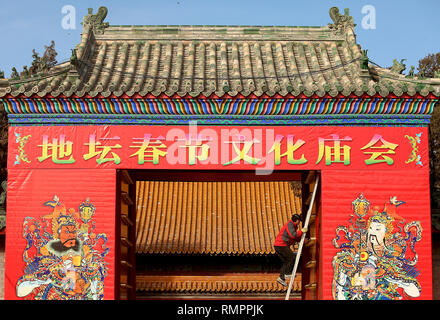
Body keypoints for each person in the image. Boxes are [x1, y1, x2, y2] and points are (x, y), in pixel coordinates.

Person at [274, 214, 307, 287]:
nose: (299, 222)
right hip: (281, 245)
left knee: (286, 261)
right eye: (299, 221)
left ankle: (281, 278)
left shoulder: (293, 226)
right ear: (297, 220)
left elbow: (295, 238)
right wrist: (301, 231)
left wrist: (302, 239)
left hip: (280, 245)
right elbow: (293, 235)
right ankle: (288, 273)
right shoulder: (290, 224)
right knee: (292, 257)